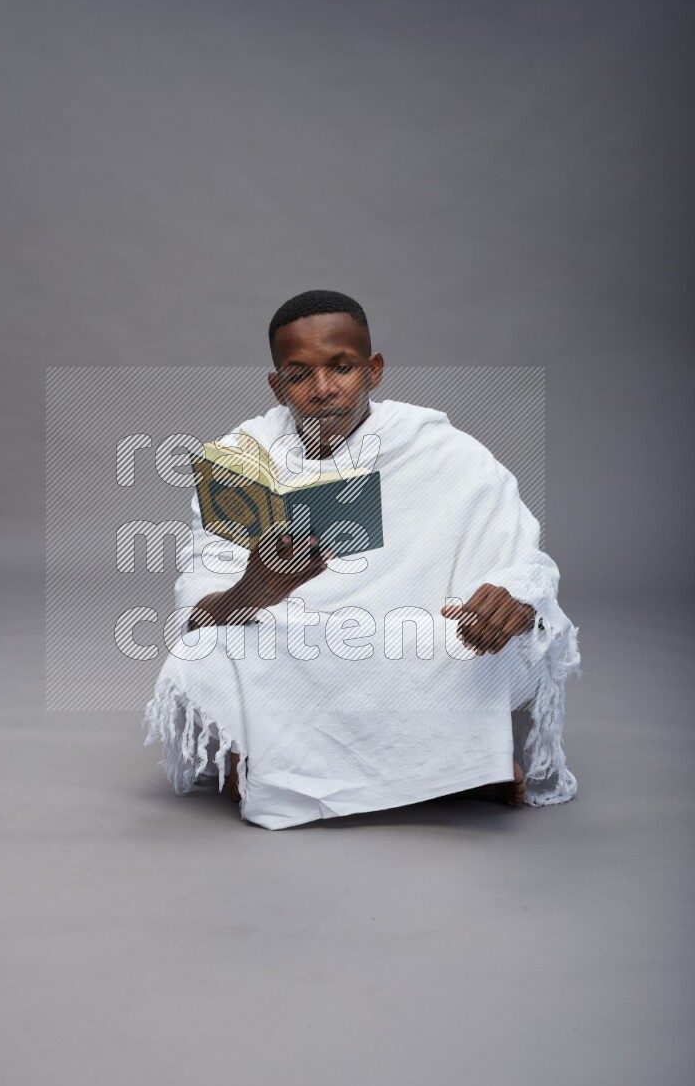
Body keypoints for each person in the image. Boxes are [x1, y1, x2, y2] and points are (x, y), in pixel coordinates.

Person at [143, 290, 580, 829]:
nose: (323, 389)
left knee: (483, 642)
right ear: (278, 386)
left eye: (342, 367)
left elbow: (527, 565)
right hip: (294, 642)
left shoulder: (445, 452)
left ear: (373, 369)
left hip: (417, 636)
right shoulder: (239, 462)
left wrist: (515, 594)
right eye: (299, 375)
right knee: (209, 651)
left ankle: (275, 771)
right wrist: (256, 589)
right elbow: (198, 619)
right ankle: (458, 774)